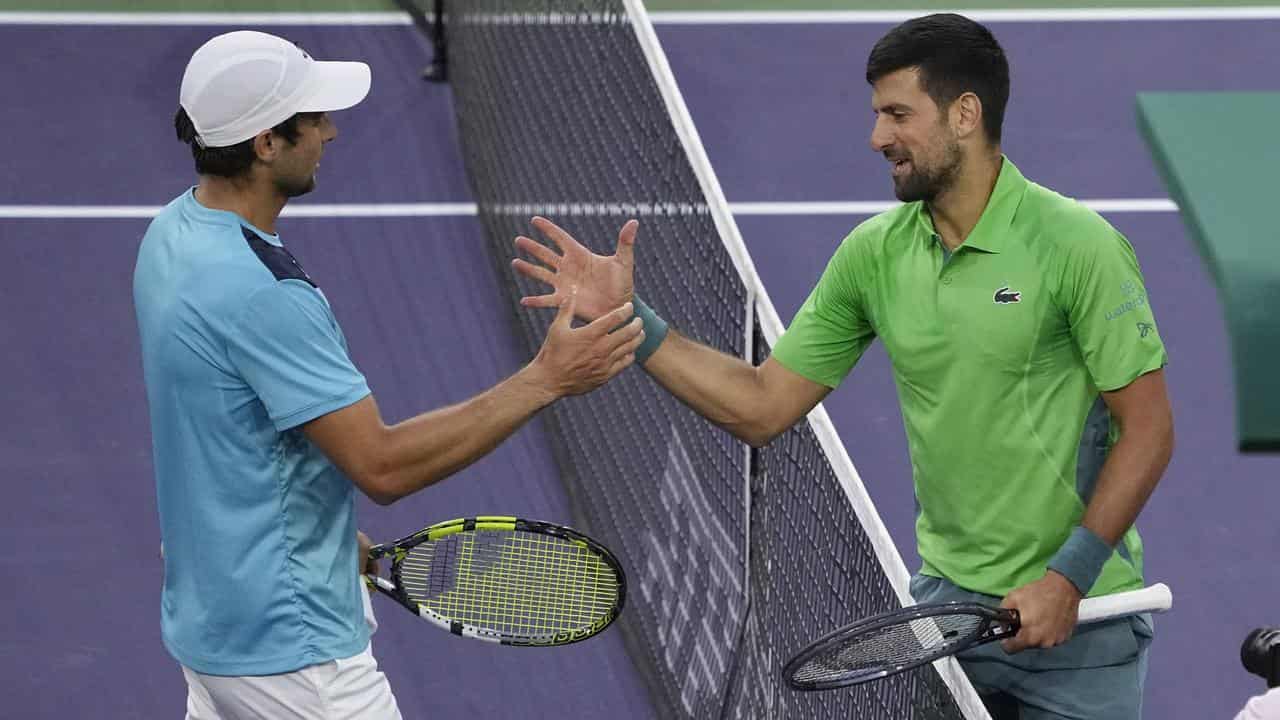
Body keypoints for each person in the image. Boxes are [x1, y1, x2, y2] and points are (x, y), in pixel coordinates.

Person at [511, 13, 1174, 720]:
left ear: (964, 115)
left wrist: (1066, 579)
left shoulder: (1078, 246)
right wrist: (633, 322)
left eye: (897, 114)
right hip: (948, 615)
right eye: (876, 115)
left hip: (1083, 622)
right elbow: (763, 405)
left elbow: (1149, 430)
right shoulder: (874, 254)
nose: (877, 137)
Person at [134, 30, 643, 719]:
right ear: (265, 144)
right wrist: (545, 379)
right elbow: (382, 466)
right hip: (297, 658)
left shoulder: (171, 235)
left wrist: (315, 533)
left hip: (211, 626)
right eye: (314, 119)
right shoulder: (265, 295)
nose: (332, 132)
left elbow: (219, 428)